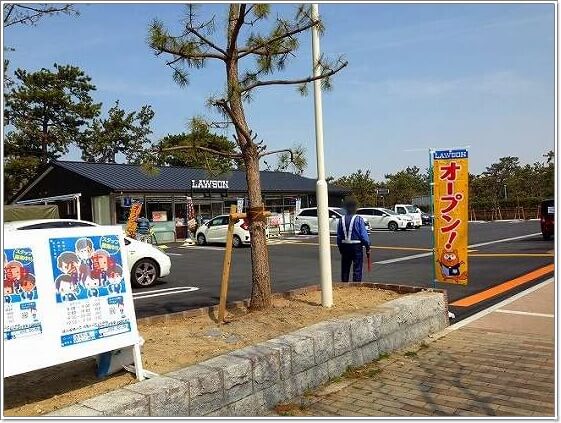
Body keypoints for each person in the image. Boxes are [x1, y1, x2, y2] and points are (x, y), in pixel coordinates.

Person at [336, 199, 371, 282]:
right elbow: (364, 236)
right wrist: (367, 247)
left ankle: (344, 285)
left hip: (344, 246)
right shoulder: (359, 219)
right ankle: (356, 286)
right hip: (356, 246)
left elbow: (339, 237)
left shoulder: (341, 220)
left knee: (345, 268)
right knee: (357, 268)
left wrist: (340, 248)